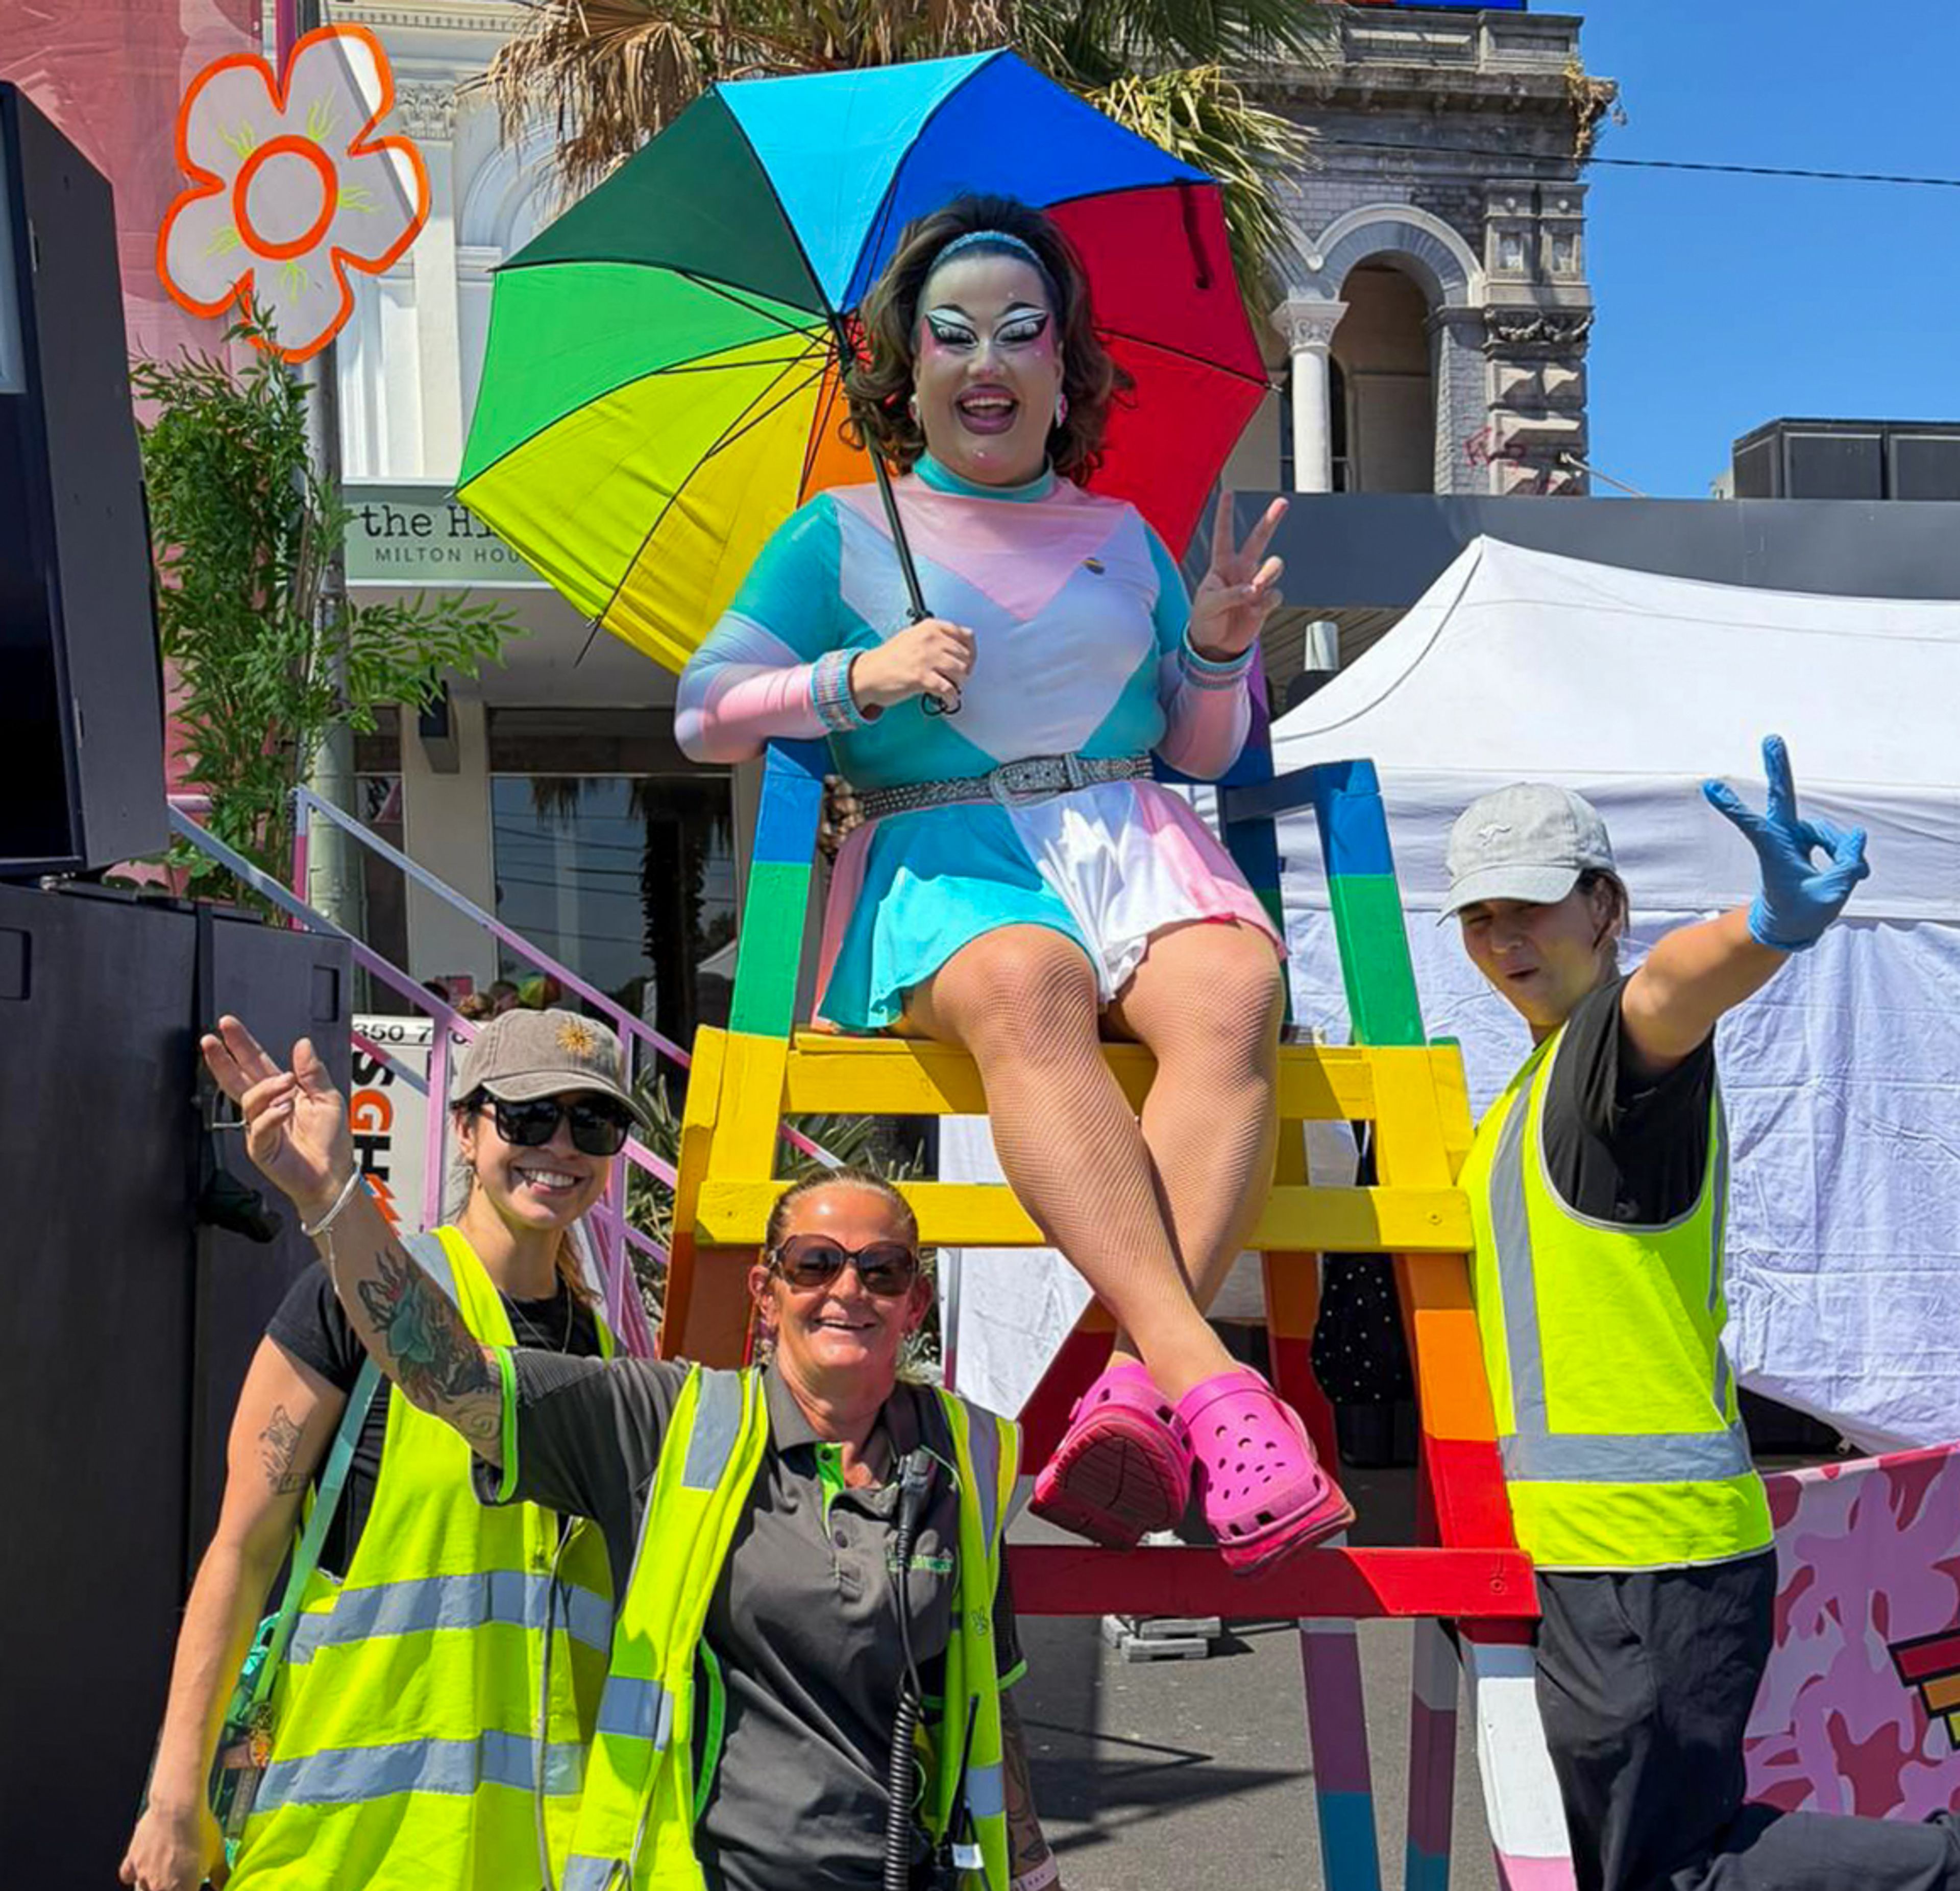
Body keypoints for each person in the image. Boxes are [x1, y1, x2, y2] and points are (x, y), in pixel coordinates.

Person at [674, 191, 1348, 1574]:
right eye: (953, 335)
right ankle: (1209, 1383)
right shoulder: (840, 533)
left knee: (1236, 982)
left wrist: (1216, 648)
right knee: (1032, 986)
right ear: (905, 371)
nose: (988, 362)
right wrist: (853, 678)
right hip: (949, 851)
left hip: (1133, 838)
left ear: (1065, 367)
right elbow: (703, 709)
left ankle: (1129, 1393)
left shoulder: (1125, 535)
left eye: (1021, 334)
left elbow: (1202, 747)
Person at [197, 1013, 1057, 1891]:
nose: (848, 1290)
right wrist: (335, 1198)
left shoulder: (964, 1455)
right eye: (814, 1263)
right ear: (764, 1293)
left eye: (882, 1271)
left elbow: (991, 1698)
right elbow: (447, 1373)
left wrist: (1030, 1873)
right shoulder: (669, 1421)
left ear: (917, 1302)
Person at [1445, 737, 1960, 1891]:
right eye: (1479, 916)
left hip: (1648, 1560)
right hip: (1604, 1559)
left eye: (1530, 907)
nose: (1504, 939)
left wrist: (1768, 927)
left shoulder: (1609, 1061)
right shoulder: (1529, 1090)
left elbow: (1672, 990)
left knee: (1669, 1873)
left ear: (1604, 905)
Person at [120, 1009, 634, 1891]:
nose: (560, 1144)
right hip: (345, 1848)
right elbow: (241, 1554)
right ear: (468, 1131)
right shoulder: (345, 1308)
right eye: (526, 1117)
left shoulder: (608, 1359)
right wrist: (174, 1796)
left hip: (530, 1855)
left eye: (592, 1122)